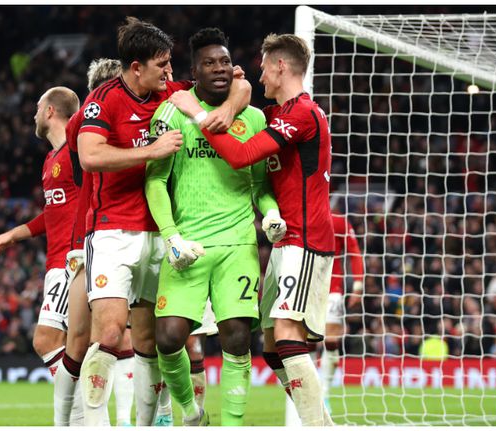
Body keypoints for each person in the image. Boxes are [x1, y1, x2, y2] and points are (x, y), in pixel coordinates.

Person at [76, 17, 249, 426]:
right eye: (162, 65)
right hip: (112, 229)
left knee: (151, 340)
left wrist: (226, 110)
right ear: (136, 68)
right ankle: (96, 424)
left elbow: (241, 84)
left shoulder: (170, 93)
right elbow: (90, 156)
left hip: (161, 232)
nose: (170, 72)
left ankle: (145, 424)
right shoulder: (103, 100)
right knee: (110, 332)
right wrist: (150, 152)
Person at [169, 33, 335, 425]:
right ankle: (321, 419)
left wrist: (196, 113)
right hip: (285, 239)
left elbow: (242, 156)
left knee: (287, 332)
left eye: (263, 67)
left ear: (280, 66)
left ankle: (319, 426)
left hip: (306, 237)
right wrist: (236, 89)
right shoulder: (277, 114)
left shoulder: (303, 114)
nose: (259, 75)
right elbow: (241, 93)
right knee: (273, 347)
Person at [145, 27, 282, 426]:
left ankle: (233, 425)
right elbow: (155, 181)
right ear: (194, 71)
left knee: (237, 337)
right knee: (168, 338)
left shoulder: (253, 117)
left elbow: (261, 187)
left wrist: (270, 214)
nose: (219, 69)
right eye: (209, 63)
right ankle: (191, 414)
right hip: (187, 245)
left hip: (237, 243)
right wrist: (171, 237)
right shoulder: (171, 115)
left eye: (224, 61)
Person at [0, 86, 80, 422]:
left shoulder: (79, 152)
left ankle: (80, 419)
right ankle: (78, 420)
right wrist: (11, 236)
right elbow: (52, 215)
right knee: (74, 348)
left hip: (75, 260)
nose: (33, 114)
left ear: (51, 111)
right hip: (57, 260)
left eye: (38, 107)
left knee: (45, 340)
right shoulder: (51, 159)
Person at [320, 211, 364, 409]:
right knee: (306, 343)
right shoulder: (300, 215)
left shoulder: (337, 220)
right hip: (305, 288)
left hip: (332, 290)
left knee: (330, 341)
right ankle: (309, 394)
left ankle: (324, 394)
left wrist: (358, 286)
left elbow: (354, 251)